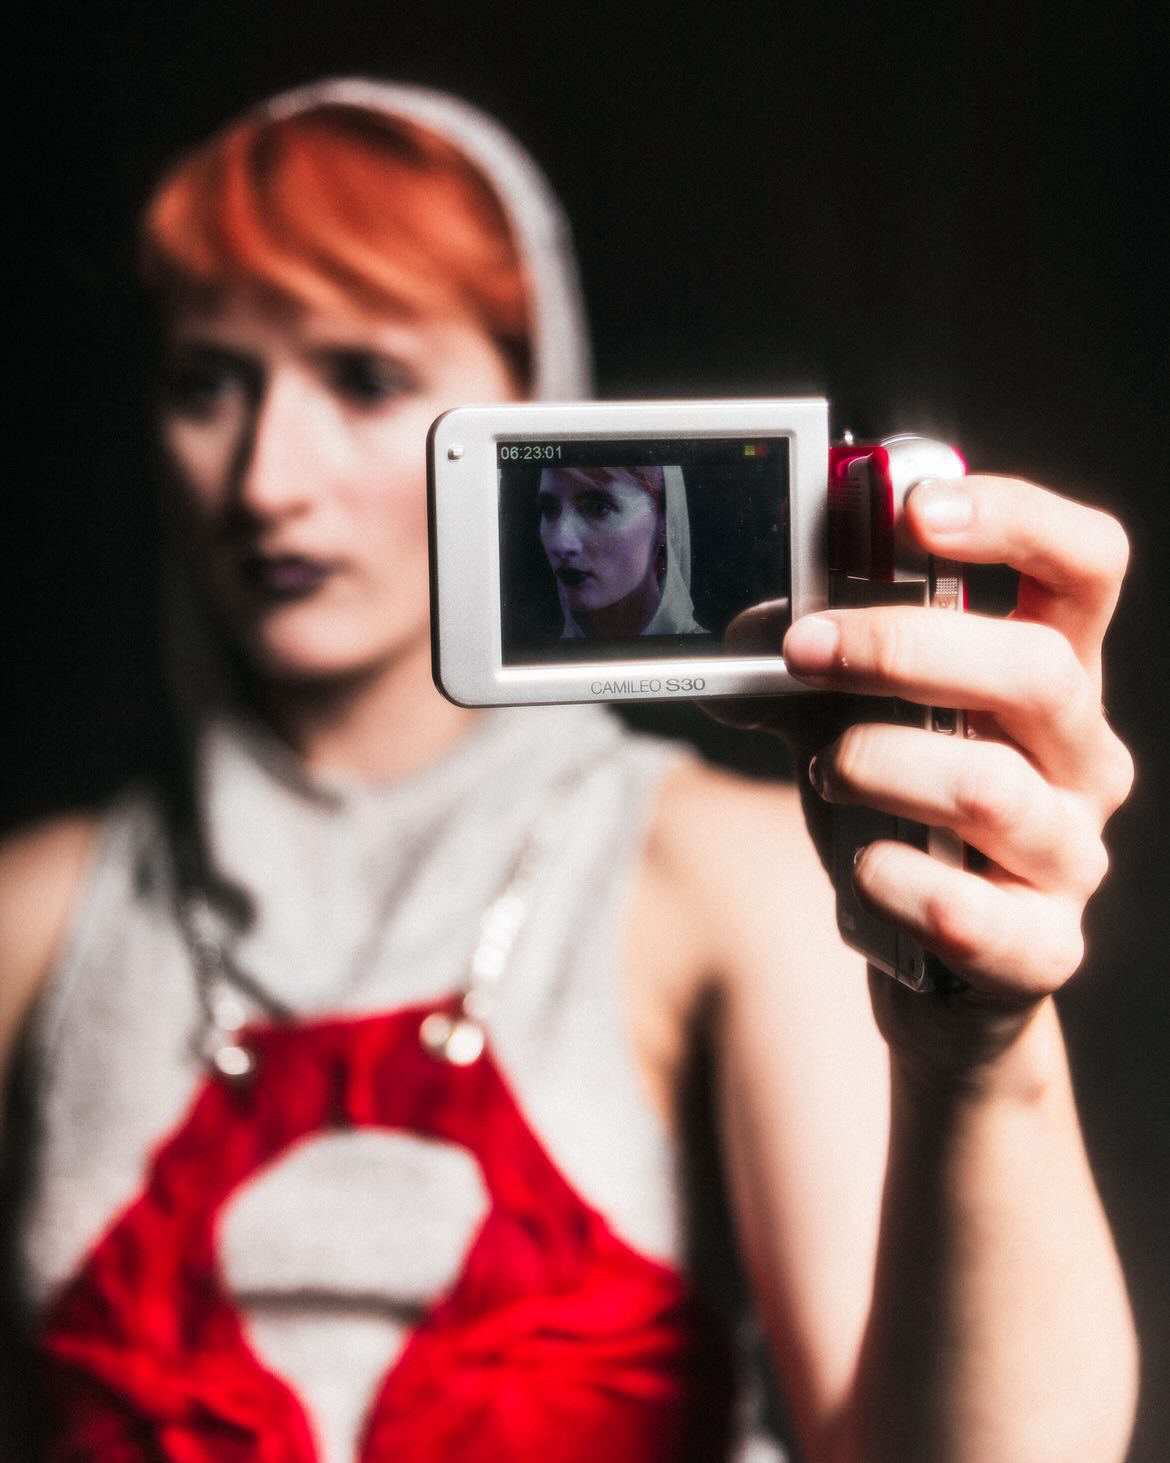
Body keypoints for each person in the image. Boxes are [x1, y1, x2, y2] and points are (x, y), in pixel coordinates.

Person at [0, 78, 1139, 1463]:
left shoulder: (728, 877)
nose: (265, 480)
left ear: (532, 403)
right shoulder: (32, 920)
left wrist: (982, 1059)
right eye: (206, 381)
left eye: (366, 379)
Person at [538, 464, 705, 637]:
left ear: (664, 521)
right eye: (549, 509)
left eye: (598, 508)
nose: (560, 543)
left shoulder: (707, 650)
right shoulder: (540, 652)